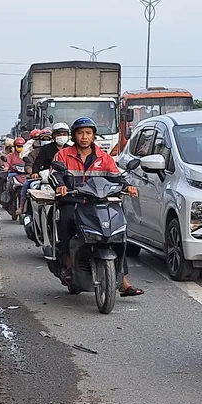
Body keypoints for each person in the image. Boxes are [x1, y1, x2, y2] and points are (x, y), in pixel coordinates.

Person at [53, 117, 143, 297]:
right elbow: (56, 175)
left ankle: (123, 281)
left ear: (94, 136)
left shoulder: (104, 157)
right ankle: (68, 264)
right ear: (74, 136)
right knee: (64, 223)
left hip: (99, 202)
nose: (84, 137)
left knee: (118, 233)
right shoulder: (63, 155)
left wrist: (127, 187)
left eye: (88, 133)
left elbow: (116, 177)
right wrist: (60, 186)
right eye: (80, 133)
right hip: (74, 202)